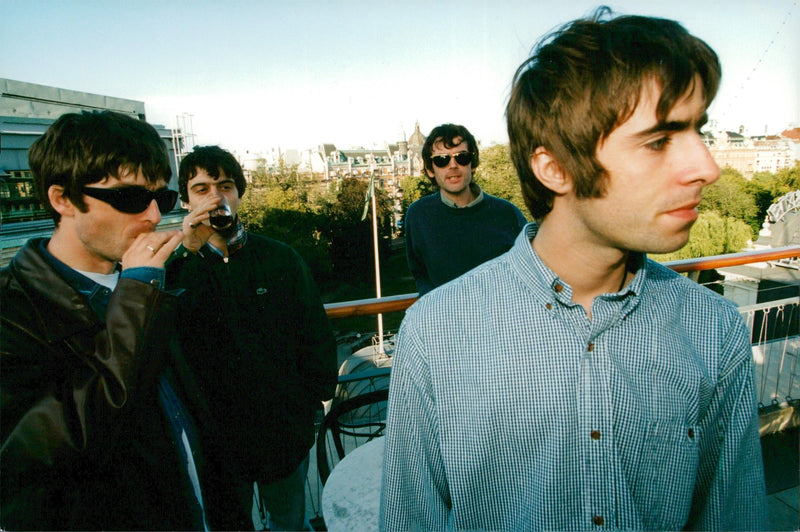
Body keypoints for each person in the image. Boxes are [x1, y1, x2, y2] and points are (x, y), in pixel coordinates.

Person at [381, 8, 768, 531]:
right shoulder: (435, 334)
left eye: (700, 131)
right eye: (659, 140)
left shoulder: (713, 329)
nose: (707, 167)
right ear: (555, 168)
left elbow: (732, 516)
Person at [0, 111, 249, 530]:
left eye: (162, 198)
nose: (153, 216)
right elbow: (31, 465)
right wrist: (137, 295)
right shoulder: (14, 311)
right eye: (130, 198)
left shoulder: (143, 285)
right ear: (63, 199)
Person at [167, 145, 338, 531]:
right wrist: (187, 253)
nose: (215, 198)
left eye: (225, 186)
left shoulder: (280, 258)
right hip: (217, 444)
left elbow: (315, 333)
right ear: (186, 201)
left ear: (239, 193)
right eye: (201, 189)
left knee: (288, 523)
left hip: (282, 434)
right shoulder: (176, 270)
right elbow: (159, 333)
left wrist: (309, 404)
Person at [404, 123, 527, 295]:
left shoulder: (508, 214)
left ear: (473, 164)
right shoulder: (418, 215)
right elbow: (420, 274)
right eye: (442, 160)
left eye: (461, 157)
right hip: (446, 310)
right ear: (430, 170)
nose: (452, 165)